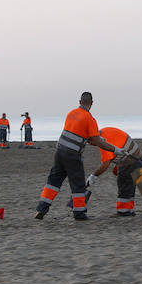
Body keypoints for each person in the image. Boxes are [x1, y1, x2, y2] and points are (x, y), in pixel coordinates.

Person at [34, 92, 126, 221]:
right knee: (78, 184)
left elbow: (83, 136)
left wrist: (98, 139)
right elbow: (96, 141)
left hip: (59, 151)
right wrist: (116, 149)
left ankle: (41, 209)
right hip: (72, 154)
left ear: (80, 101)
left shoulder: (71, 113)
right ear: (91, 103)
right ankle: (79, 213)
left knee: (53, 182)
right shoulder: (89, 119)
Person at [87, 126, 142, 216]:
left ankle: (124, 211)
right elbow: (118, 144)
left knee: (124, 183)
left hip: (129, 159)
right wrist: (117, 166)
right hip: (135, 154)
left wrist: (93, 176)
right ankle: (129, 209)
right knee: (129, 183)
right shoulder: (105, 130)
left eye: (89, 142)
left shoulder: (103, 143)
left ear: (93, 140)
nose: (90, 144)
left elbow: (105, 164)